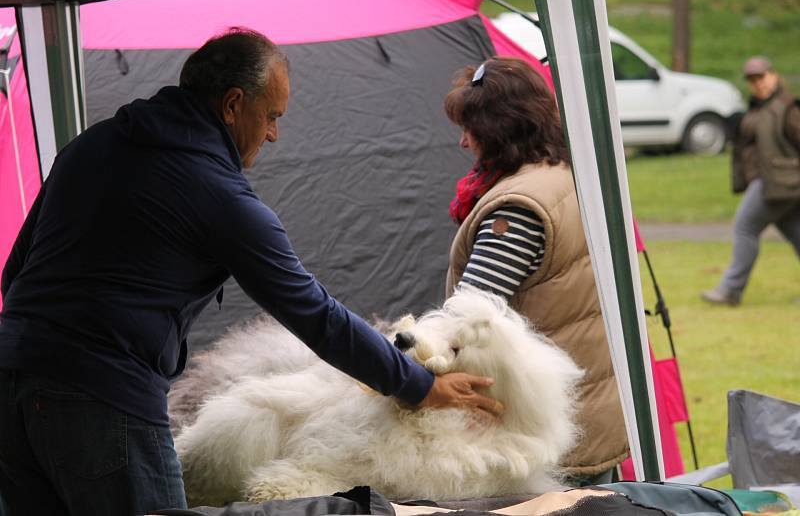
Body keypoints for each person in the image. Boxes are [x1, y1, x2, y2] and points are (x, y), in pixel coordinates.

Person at [0, 28, 502, 516]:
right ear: (234, 103)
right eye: (270, 116)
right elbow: (313, 314)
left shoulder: (91, 145)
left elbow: (15, 273)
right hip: (103, 402)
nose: (274, 134)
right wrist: (418, 385)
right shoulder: (219, 195)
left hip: (10, 386)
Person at [442, 57, 628, 486]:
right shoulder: (569, 174)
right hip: (588, 413)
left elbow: (465, 324)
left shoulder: (518, 208)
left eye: (470, 128)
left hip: (544, 435)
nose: (463, 142)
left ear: (499, 129)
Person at [701, 56, 800, 306]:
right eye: (753, 79)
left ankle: (730, 289)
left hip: (778, 183)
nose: (759, 83)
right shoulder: (759, 107)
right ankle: (730, 289)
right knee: (797, 234)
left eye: (762, 77)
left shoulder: (787, 108)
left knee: (745, 228)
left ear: (774, 75)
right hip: (773, 183)